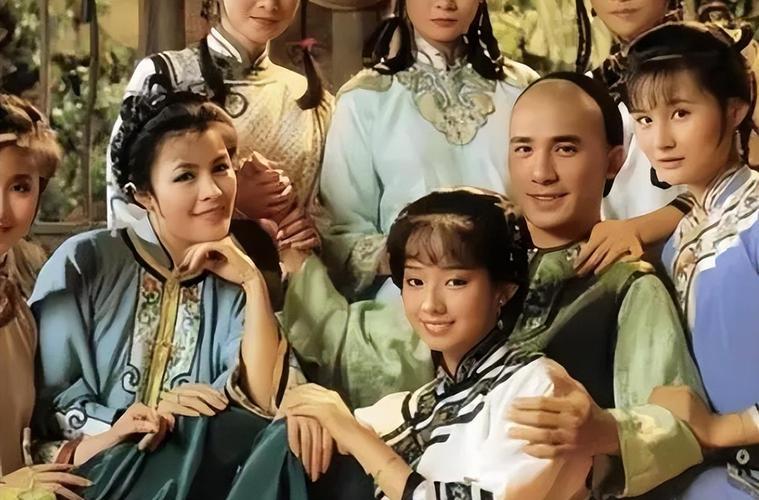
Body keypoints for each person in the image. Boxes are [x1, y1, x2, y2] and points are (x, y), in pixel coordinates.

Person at [29, 79, 305, 498]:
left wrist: (252, 283)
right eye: (185, 176)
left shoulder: (237, 275)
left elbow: (264, 403)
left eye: (221, 168)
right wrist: (141, 420)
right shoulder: (84, 262)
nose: (213, 191)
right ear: (143, 194)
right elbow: (52, 405)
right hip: (89, 469)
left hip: (199, 478)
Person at [283, 189, 592, 500]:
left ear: (504, 289)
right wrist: (306, 407)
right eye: (415, 281)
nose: (430, 304)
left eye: (455, 282)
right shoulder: (421, 404)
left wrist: (351, 433)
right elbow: (331, 417)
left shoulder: (537, 388)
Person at [501, 72, 705, 498]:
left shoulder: (627, 285)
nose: (540, 172)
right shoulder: (479, 269)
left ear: (614, 161)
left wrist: (607, 430)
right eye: (524, 148)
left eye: (565, 148)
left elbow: (680, 429)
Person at [318, 0, 538, 300]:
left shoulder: (523, 88)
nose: (445, 3)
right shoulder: (364, 98)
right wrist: (424, 256)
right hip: (414, 297)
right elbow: (343, 233)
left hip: (520, 284)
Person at [622, 22, 759, 499]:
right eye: (644, 119)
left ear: (735, 109)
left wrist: (726, 427)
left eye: (680, 113)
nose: (660, 139)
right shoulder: (678, 240)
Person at [107, 0, 330, 241]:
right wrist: (229, 201)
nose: (269, 3)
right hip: (192, 262)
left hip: (292, 261)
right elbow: (125, 206)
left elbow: (334, 217)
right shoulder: (165, 75)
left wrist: (309, 232)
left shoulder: (314, 97)